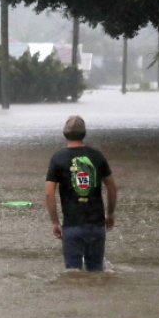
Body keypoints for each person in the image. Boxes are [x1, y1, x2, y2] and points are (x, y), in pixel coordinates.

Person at [45, 115, 118, 272]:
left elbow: (49, 194)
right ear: (84, 133)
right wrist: (110, 214)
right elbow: (112, 187)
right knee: (97, 273)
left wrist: (55, 222)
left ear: (65, 133)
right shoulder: (97, 156)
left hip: (72, 225)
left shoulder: (58, 158)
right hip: (96, 225)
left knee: (73, 275)